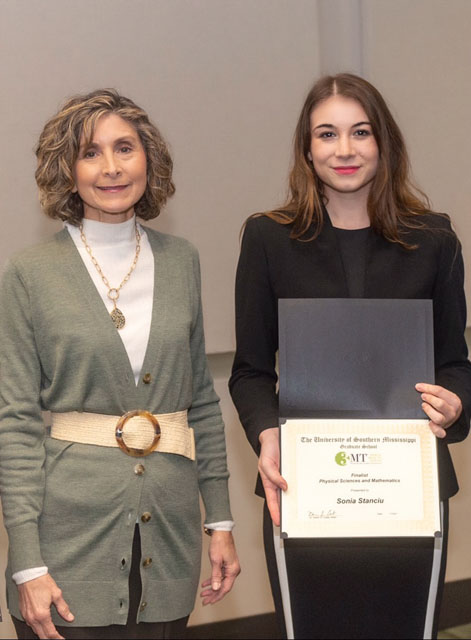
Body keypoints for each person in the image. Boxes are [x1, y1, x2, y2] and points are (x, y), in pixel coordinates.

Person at [229, 73, 471, 640]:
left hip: (408, 491)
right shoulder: (267, 238)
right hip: (305, 490)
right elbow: (251, 371)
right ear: (306, 150)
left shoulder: (434, 239)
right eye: (327, 134)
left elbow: (457, 363)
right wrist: (267, 434)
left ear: (383, 141)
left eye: (360, 132)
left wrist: (454, 402)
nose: (344, 149)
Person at [0, 89, 240, 640]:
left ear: (148, 158)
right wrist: (27, 560)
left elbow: (201, 399)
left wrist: (220, 522)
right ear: (68, 169)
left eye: (125, 148)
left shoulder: (182, 261)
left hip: (172, 531)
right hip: (65, 544)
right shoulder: (28, 273)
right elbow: (14, 422)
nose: (110, 168)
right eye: (90, 152)